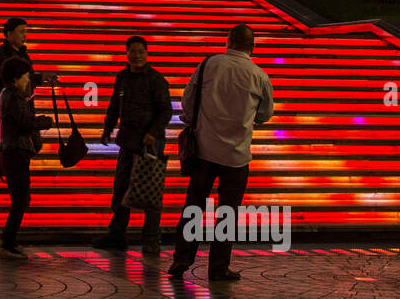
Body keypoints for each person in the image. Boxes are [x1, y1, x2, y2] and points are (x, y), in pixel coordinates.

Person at [169, 24, 274, 282]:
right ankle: (218, 268)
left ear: (228, 41)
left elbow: (188, 99)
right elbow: (265, 114)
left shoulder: (210, 64)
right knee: (227, 213)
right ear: (253, 46)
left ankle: (181, 260)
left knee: (193, 206)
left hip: (204, 149)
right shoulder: (259, 75)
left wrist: (196, 119)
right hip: (236, 156)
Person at [95, 36, 172, 255]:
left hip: (150, 144)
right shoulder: (122, 77)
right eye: (133, 51)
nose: (137, 55)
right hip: (127, 141)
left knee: (151, 190)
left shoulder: (156, 79)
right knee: (121, 187)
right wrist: (108, 128)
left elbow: (165, 110)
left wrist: (152, 133)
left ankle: (151, 238)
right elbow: (114, 105)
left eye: (140, 51)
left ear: (146, 54)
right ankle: (117, 234)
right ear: (126, 54)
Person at [0, 56, 54, 261]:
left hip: (12, 152)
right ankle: (8, 244)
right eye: (26, 77)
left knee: (20, 199)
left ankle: (9, 241)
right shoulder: (12, 97)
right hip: (15, 153)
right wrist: (45, 121)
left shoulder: (6, 95)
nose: (28, 81)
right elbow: (24, 122)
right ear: (15, 78)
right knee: (20, 200)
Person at [0, 17, 59, 128]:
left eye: (25, 32)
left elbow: (26, 77)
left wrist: (41, 78)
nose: (25, 36)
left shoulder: (23, 54)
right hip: (8, 111)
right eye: (21, 32)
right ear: (10, 34)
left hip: (24, 108)